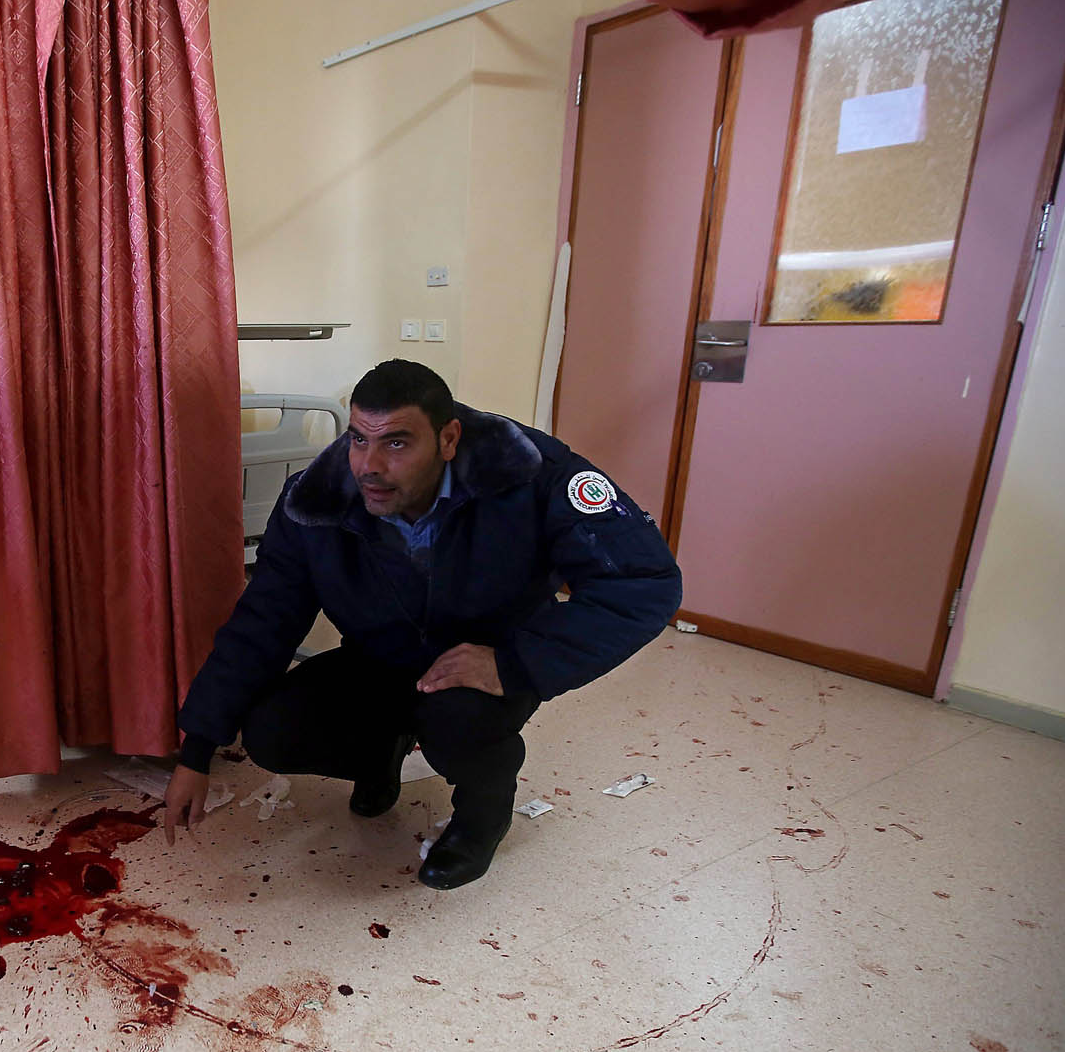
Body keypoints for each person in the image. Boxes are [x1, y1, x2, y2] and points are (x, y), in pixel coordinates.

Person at [162, 358, 682, 890]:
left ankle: (484, 813)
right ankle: (381, 753)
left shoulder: (533, 474)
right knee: (273, 733)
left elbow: (644, 584)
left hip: (484, 663)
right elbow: (263, 621)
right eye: (359, 439)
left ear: (449, 438)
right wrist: (197, 750)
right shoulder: (316, 500)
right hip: (380, 655)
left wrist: (514, 663)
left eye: (396, 443)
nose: (369, 465)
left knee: (459, 721)